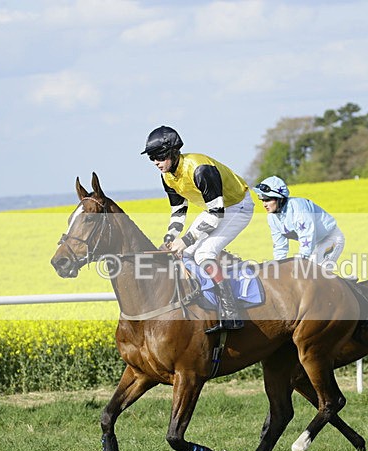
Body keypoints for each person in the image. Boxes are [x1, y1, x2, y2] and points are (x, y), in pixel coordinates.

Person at [142, 125, 253, 333]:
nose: (156, 162)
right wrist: (171, 237)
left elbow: (217, 214)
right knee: (186, 254)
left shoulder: (200, 169)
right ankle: (203, 300)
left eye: (159, 156)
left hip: (237, 205)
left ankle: (231, 311)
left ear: (174, 152)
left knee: (203, 253)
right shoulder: (167, 176)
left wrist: (185, 240)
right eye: (151, 158)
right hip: (214, 208)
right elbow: (178, 211)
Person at [253, 175, 345, 269]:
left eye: (268, 200)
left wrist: (301, 262)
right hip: (315, 244)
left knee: (316, 274)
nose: (264, 204)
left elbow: (307, 235)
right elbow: (280, 247)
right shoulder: (272, 218)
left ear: (280, 198)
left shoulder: (298, 208)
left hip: (330, 238)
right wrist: (278, 268)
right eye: (262, 200)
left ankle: (349, 284)